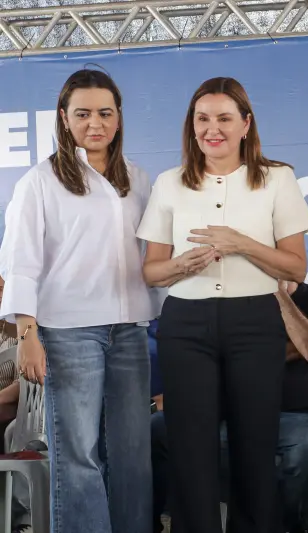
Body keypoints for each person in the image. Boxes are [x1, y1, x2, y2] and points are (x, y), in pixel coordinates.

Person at [136, 77, 308, 533]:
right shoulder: (169, 183)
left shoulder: (278, 178)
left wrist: (241, 244)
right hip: (185, 323)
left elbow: (295, 267)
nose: (211, 129)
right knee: (190, 449)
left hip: (254, 321)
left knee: (255, 449)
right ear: (191, 126)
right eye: (202, 118)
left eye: (223, 118)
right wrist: (181, 265)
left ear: (245, 124)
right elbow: (151, 271)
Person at [0, 69, 157, 533]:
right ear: (64, 119)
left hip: (130, 330)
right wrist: (28, 334)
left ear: (119, 118)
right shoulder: (40, 181)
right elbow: (21, 263)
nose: (96, 123)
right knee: (79, 456)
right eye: (83, 113)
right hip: (68, 333)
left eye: (105, 112)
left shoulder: (137, 179)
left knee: (133, 456)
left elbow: (153, 257)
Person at [151, 281, 308, 533]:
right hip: (233, 416)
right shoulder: (231, 303)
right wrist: (294, 347)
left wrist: (275, 291)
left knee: (305, 445)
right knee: (158, 429)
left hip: (300, 418)